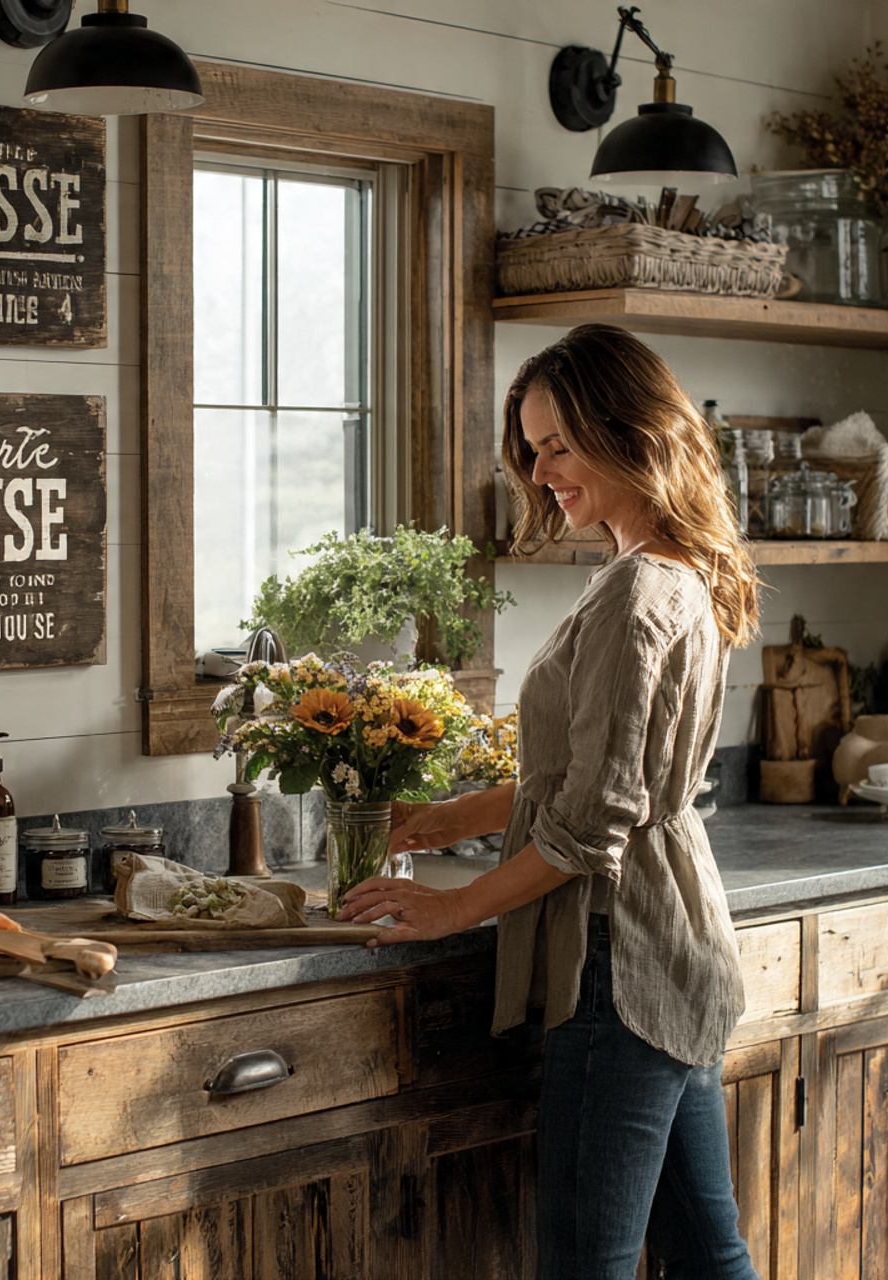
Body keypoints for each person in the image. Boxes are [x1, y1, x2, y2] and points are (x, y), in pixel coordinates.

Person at [337, 324, 762, 1279]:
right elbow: (588, 782)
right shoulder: (678, 574)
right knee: (708, 1257)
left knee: (587, 1265)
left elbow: (587, 829)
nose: (541, 471)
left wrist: (447, 906)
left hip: (619, 966)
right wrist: (448, 820)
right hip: (676, 944)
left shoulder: (634, 592)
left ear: (631, 433)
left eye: (560, 445)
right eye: (532, 449)